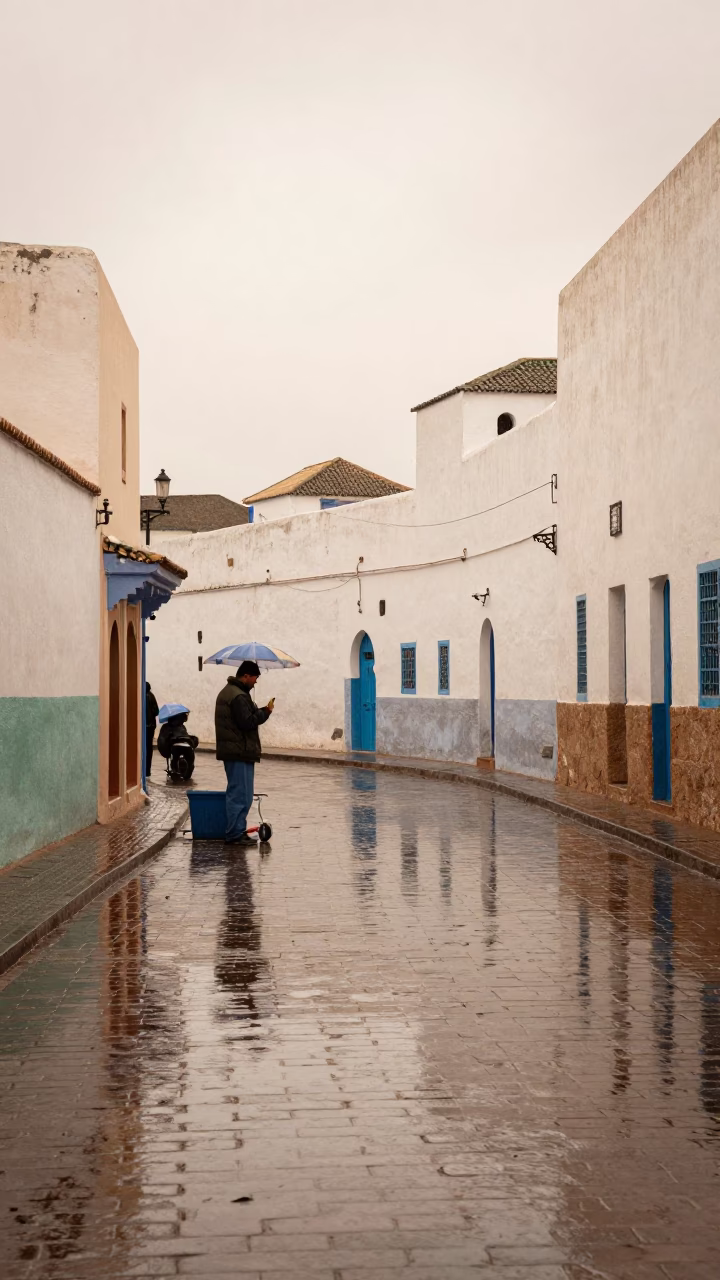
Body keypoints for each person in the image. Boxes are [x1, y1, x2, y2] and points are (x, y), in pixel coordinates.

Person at [215, 660, 274, 845]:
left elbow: (245, 718)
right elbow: (247, 722)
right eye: (255, 677)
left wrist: (260, 710)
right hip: (238, 751)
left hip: (239, 751)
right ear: (246, 676)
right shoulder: (238, 696)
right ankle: (234, 834)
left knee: (244, 795)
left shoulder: (236, 693)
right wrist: (266, 712)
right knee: (240, 795)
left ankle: (238, 831)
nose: (256, 682)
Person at [145, 682, 159, 777]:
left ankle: (142, 770)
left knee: (142, 748)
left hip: (143, 727)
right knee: (149, 748)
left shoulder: (141, 696)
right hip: (151, 726)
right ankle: (147, 771)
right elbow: (156, 711)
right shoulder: (152, 696)